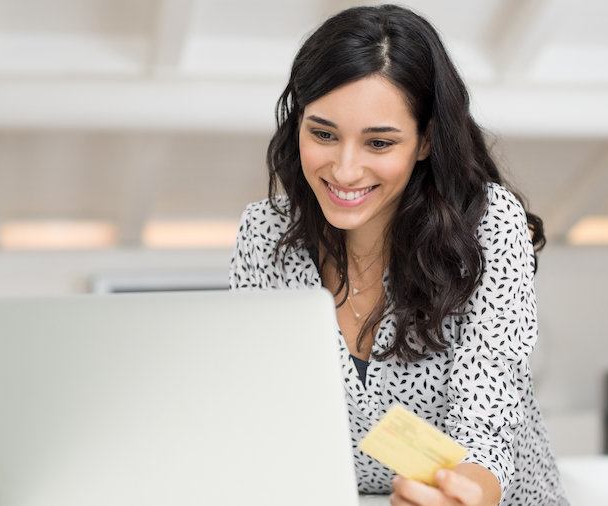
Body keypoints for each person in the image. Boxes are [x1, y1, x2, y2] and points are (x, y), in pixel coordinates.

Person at [229, 5, 567, 506]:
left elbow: (486, 418)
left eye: (379, 142)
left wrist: (461, 494)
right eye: (322, 133)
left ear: (426, 139)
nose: (344, 171)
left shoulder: (489, 225)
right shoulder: (265, 233)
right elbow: (262, 412)